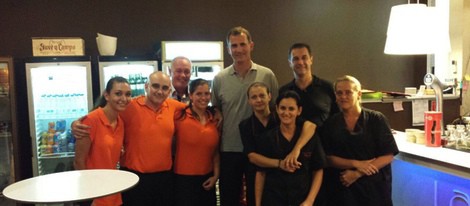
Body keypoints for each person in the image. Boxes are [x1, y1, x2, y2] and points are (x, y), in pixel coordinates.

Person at [72, 71, 186, 205]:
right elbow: (98, 116)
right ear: (146, 86)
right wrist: (74, 124)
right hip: (133, 178)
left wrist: (215, 112)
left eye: (165, 88)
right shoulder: (128, 106)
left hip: (163, 179)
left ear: (169, 91)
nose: (160, 91)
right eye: (155, 86)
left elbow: (196, 107)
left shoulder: (173, 106)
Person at [211, 26, 279, 206]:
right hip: (230, 148)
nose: (239, 50)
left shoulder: (267, 75)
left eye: (242, 44)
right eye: (234, 46)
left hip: (259, 149)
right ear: (228, 49)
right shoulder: (219, 79)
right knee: (229, 198)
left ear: (251, 45)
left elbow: (275, 110)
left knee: (258, 199)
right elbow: (216, 109)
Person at [320, 75, 399, 206]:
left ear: (359, 94)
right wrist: (356, 163)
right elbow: (328, 158)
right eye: (339, 93)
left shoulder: (376, 119)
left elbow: (388, 155)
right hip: (342, 189)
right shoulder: (330, 124)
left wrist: (357, 173)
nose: (343, 96)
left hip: (374, 189)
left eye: (348, 92)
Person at [239, 82, 317, 206]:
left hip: (295, 185)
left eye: (262, 95)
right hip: (260, 177)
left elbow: (311, 126)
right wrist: (280, 164)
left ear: (269, 97)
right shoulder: (245, 125)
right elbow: (252, 157)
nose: (258, 100)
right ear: (248, 100)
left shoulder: (282, 116)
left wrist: (296, 150)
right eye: (254, 97)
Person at [255, 91, 327, 206]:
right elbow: (261, 173)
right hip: (273, 199)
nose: (286, 113)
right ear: (277, 109)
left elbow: (318, 170)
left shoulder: (310, 137)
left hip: (302, 199)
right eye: (283, 108)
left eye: (291, 109)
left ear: (299, 111)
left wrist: (310, 200)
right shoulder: (267, 138)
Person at [74, 76, 132, 206]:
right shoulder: (91, 120)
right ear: (107, 95)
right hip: (94, 193)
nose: (124, 99)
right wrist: (90, 196)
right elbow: (79, 161)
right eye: (118, 94)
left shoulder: (120, 122)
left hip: (112, 190)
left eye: (128, 94)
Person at [173, 79, 220, 206]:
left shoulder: (214, 120)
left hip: (207, 179)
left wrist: (215, 176)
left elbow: (214, 152)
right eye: (199, 94)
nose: (203, 97)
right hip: (183, 180)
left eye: (206, 93)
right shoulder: (179, 117)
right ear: (191, 95)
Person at [279, 43, 339, 127]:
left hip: (323, 139)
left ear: (311, 60)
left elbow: (338, 119)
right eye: (296, 59)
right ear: (290, 63)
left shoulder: (328, 88)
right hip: (295, 140)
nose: (300, 62)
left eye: (304, 58)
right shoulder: (284, 92)